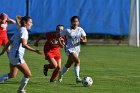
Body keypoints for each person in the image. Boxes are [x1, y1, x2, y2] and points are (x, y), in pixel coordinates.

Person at [0, 16, 43, 93]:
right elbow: (24, 44)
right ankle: (20, 90)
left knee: (12, 75)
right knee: (28, 74)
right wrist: (35, 50)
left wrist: (3, 51)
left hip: (12, 55)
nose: (32, 24)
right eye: (30, 22)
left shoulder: (19, 30)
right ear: (25, 23)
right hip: (17, 56)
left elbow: (9, 42)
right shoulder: (24, 31)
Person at [58, 16, 87, 83]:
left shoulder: (80, 29)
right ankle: (77, 78)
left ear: (78, 22)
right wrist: (61, 42)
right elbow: (58, 36)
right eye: (74, 21)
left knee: (69, 64)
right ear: (71, 22)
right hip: (69, 49)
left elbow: (85, 39)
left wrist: (83, 40)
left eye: (76, 21)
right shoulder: (67, 30)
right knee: (77, 61)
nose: (75, 23)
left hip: (77, 49)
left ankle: (61, 74)